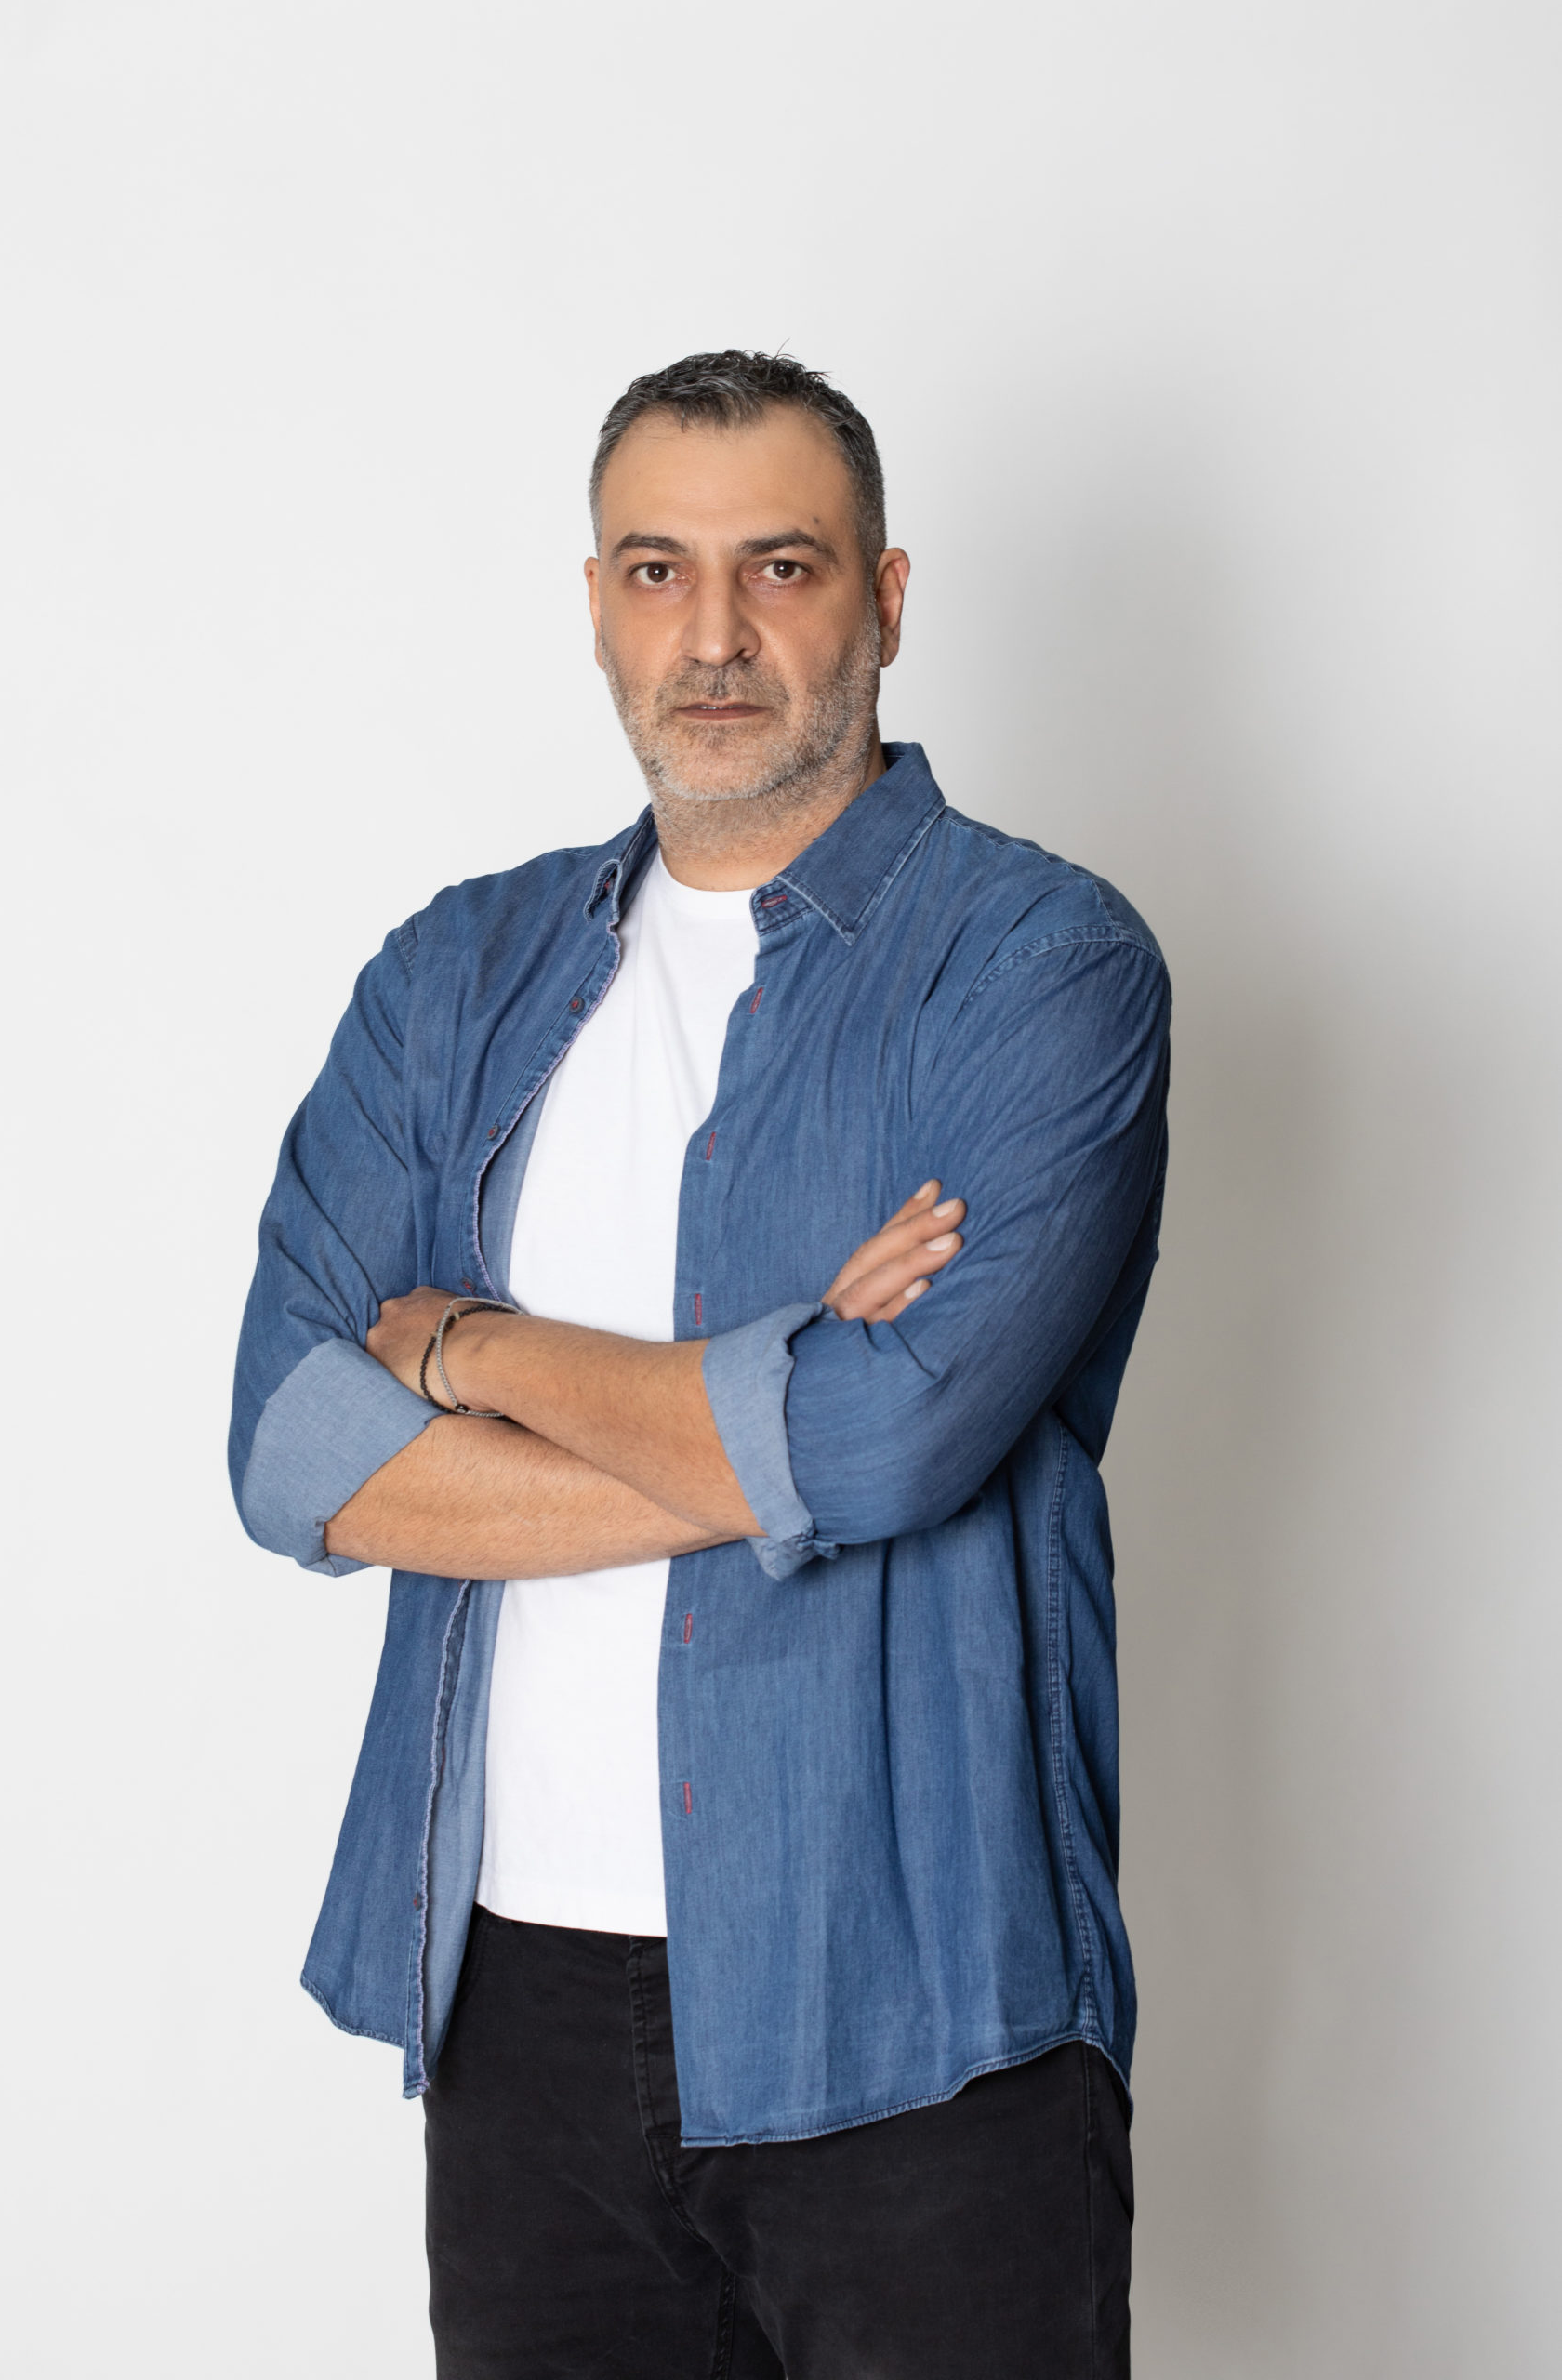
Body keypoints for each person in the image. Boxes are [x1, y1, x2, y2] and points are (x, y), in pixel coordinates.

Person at [231, 350, 1170, 2377]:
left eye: (781, 567)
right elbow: (298, 1452)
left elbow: (897, 1441)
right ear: (595, 604)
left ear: (885, 596)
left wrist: (468, 1347)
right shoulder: (452, 979)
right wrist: (777, 1415)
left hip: (915, 2000)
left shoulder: (1038, 966)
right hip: (524, 2009)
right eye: (658, 570)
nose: (716, 633)